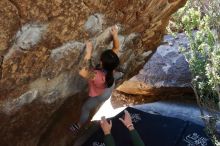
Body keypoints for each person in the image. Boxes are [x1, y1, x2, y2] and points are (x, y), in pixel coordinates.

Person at [70, 25, 120, 133]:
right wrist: (115, 35)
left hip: (100, 96)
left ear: (102, 63)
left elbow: (82, 71)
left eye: (101, 59)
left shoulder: (97, 76)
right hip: (109, 86)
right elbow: (116, 48)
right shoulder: (112, 65)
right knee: (92, 103)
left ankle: (78, 125)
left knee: (85, 108)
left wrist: (88, 52)